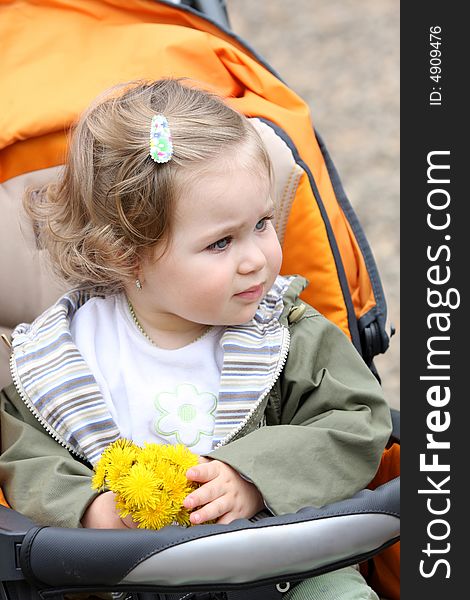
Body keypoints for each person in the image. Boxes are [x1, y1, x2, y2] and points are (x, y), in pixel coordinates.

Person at [0, 78, 391, 599]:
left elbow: (358, 422)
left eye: (262, 224)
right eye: (221, 242)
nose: (256, 258)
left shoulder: (286, 331)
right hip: (126, 581)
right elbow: (25, 458)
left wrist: (254, 478)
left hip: (284, 569)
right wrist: (88, 509)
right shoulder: (61, 357)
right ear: (127, 255)